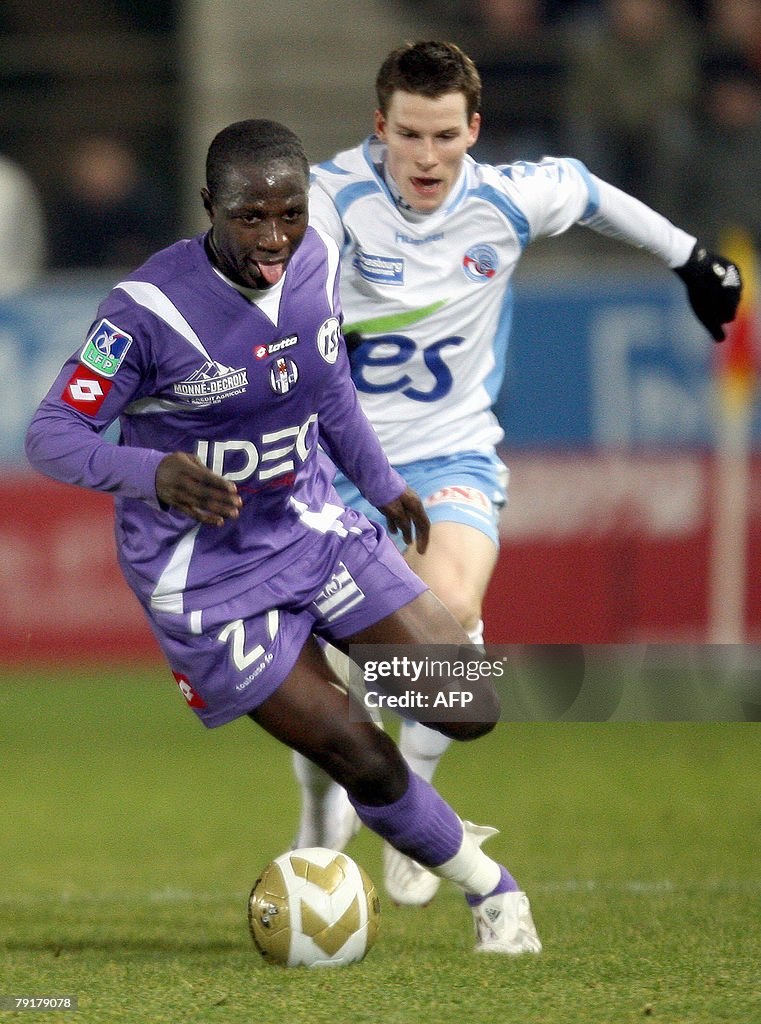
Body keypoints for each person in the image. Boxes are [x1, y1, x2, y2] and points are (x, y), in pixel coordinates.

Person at [25, 119, 541, 956]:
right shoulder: (145, 311)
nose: (273, 239)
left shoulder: (314, 261)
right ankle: (493, 893)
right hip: (205, 580)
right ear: (208, 207)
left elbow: (328, 385)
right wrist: (149, 473)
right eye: (250, 219)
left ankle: (331, 687)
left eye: (290, 214)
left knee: (464, 703)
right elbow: (50, 433)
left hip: (308, 527)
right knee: (364, 756)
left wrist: (381, 484)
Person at [294, 39, 743, 907]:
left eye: (446, 137)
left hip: (446, 450)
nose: (427, 158)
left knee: (450, 615)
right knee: (322, 675)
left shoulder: (503, 199)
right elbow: (291, 260)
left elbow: (589, 191)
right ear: (378, 126)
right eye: (410, 136)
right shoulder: (331, 198)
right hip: (331, 463)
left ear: (474, 129)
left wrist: (692, 260)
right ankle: (321, 813)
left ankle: (415, 808)